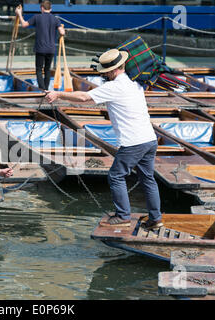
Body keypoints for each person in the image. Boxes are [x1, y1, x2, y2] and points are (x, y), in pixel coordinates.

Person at [45, 49, 163, 230]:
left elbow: (84, 97)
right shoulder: (134, 82)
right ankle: (155, 218)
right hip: (149, 139)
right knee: (147, 178)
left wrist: (58, 94)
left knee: (116, 176)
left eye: (105, 71)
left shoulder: (114, 87)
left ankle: (123, 216)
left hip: (133, 142)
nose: (103, 74)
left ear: (113, 70)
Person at [15, 1, 65, 90]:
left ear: (41, 8)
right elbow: (62, 32)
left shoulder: (37, 17)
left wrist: (19, 14)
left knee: (39, 69)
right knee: (47, 69)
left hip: (40, 48)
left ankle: (42, 89)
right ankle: (46, 89)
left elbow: (24, 24)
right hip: (51, 49)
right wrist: (61, 29)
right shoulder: (55, 19)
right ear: (51, 9)